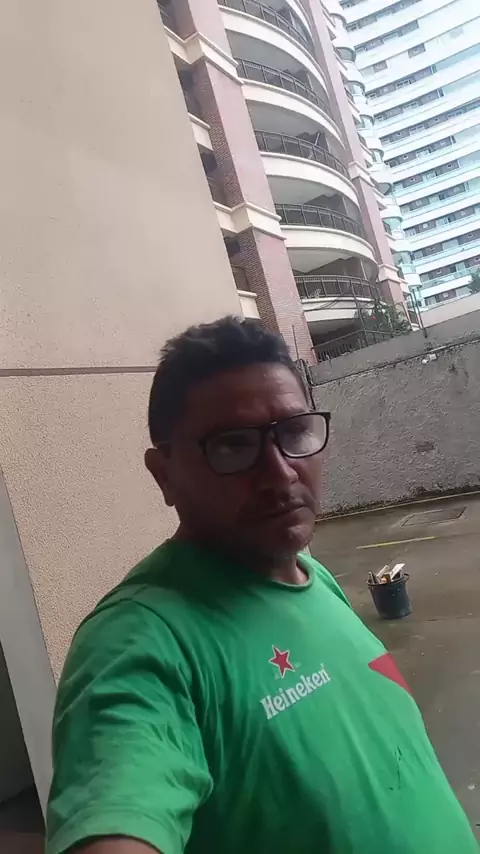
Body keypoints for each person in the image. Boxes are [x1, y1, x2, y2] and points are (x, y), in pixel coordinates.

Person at [46, 317, 478, 854]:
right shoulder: (141, 642)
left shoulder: (309, 575)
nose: (281, 472)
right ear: (165, 475)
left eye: (294, 433)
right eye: (232, 446)